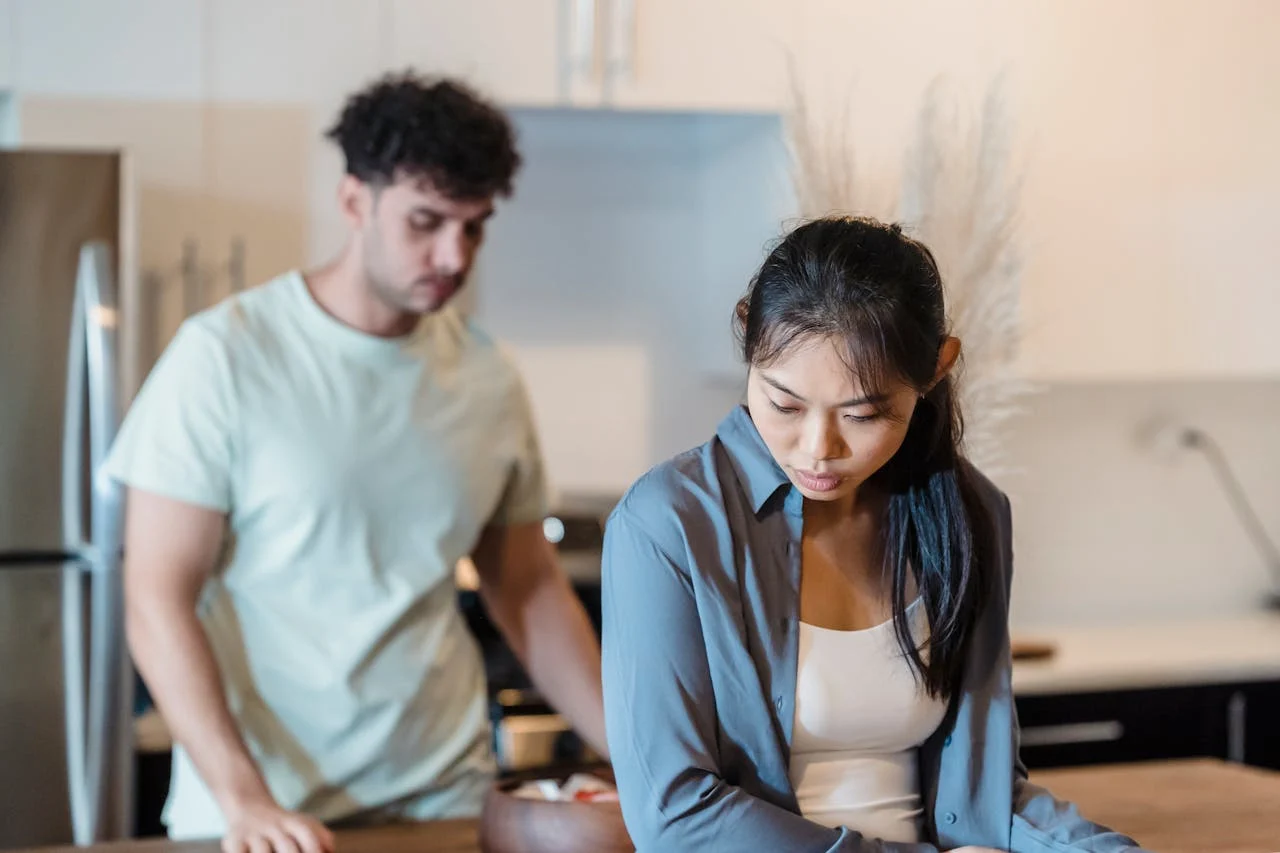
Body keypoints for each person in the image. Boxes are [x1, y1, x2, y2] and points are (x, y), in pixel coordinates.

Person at [106, 73, 607, 851]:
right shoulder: (225, 357)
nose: (453, 255)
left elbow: (528, 587)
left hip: (443, 797)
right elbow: (156, 596)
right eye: (426, 221)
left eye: (473, 228)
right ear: (353, 202)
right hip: (261, 814)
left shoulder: (487, 374)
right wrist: (243, 798)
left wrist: (645, 756)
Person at [600, 217, 1148, 852]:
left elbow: (987, 792)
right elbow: (674, 817)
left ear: (937, 369)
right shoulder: (667, 524)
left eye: (862, 415)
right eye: (783, 405)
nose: (817, 449)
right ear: (748, 337)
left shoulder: (971, 513)